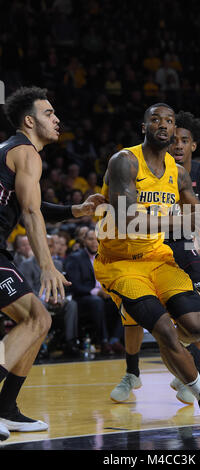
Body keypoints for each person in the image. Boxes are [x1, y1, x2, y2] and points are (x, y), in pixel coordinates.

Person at [94, 103, 200, 431]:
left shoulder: (178, 172)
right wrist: (186, 219)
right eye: (155, 119)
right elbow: (125, 219)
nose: (163, 125)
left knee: (195, 326)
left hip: (158, 258)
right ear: (144, 126)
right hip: (120, 263)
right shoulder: (124, 161)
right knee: (165, 329)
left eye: (169, 120)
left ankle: (175, 355)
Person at [0, 86, 104, 441]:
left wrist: (74, 211)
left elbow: (33, 202)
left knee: (38, 320)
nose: (57, 119)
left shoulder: (12, 151)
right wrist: (47, 265)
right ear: (29, 121)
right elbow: (29, 212)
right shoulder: (27, 152)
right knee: (35, 318)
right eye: (48, 114)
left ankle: (7, 409)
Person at [19, 235, 79, 357]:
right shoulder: (26, 264)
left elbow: (61, 288)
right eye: (46, 246)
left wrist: (60, 299)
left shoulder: (57, 264)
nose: (48, 249)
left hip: (53, 300)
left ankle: (70, 343)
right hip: (35, 300)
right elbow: (27, 289)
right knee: (40, 304)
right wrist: (47, 298)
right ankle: (40, 346)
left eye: (51, 246)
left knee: (72, 304)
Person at [64, 229, 124, 354]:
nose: (94, 243)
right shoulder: (75, 258)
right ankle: (104, 341)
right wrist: (96, 292)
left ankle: (115, 339)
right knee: (96, 302)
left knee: (124, 301)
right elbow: (74, 284)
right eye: (91, 239)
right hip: (82, 298)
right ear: (84, 241)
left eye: (97, 240)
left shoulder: (107, 257)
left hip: (105, 296)